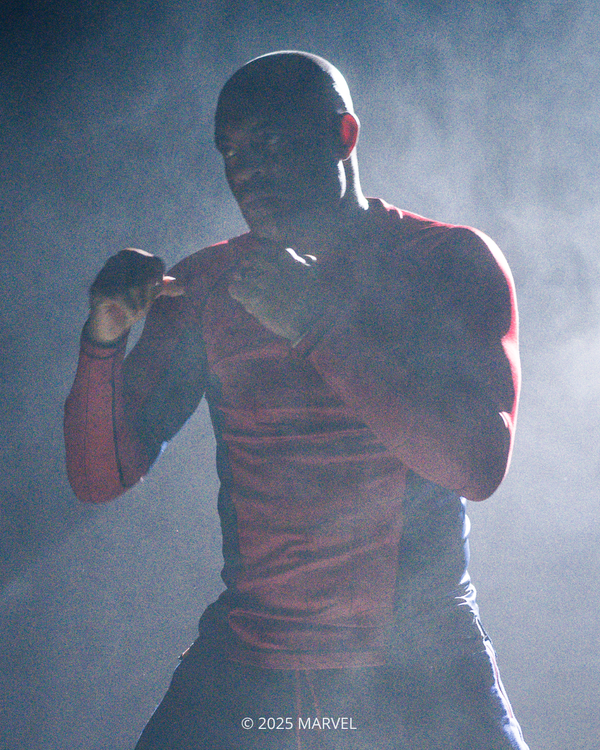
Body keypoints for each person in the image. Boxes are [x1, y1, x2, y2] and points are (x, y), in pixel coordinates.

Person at [64, 51, 528, 749]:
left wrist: (317, 327)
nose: (247, 170)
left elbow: (478, 467)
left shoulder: (446, 262)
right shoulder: (207, 284)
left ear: (344, 135)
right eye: (230, 151)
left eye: (271, 142)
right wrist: (102, 341)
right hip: (252, 662)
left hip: (421, 665)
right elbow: (99, 479)